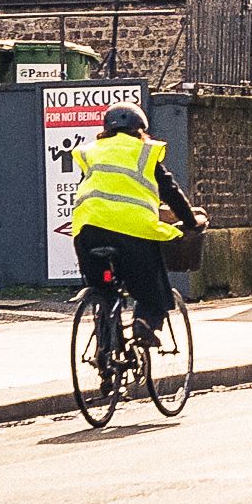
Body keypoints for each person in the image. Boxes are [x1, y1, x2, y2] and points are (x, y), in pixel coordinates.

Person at [69, 103, 188, 344]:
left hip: (88, 232)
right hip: (131, 233)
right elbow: (170, 191)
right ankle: (144, 323)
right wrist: (191, 221)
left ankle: (105, 354)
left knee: (103, 290)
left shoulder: (92, 152)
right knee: (151, 286)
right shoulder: (144, 151)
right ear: (140, 130)